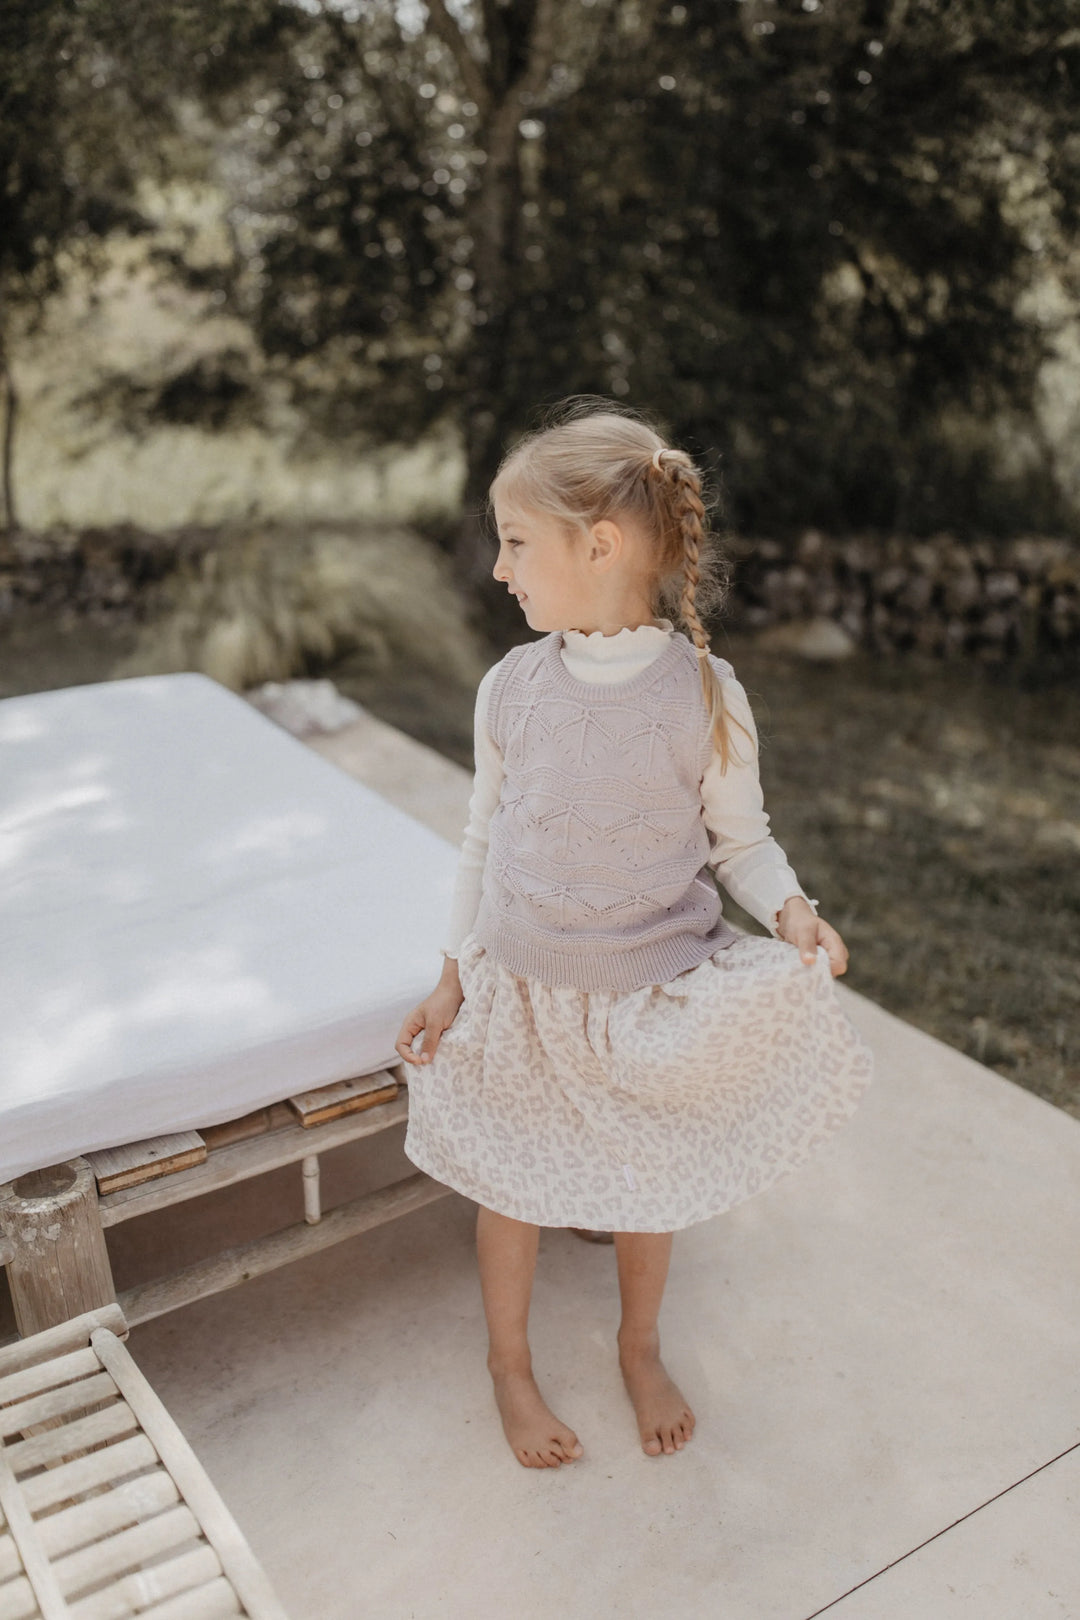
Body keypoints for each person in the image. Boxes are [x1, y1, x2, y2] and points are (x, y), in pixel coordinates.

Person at [394, 398, 873, 1470]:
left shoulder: (704, 695)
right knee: (508, 1189)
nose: (500, 568)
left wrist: (791, 908)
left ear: (597, 545)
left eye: (516, 542)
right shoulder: (510, 689)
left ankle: (639, 1345)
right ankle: (509, 1366)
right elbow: (483, 842)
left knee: (645, 1176)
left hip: (642, 996)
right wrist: (449, 979)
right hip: (521, 988)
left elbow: (741, 843)